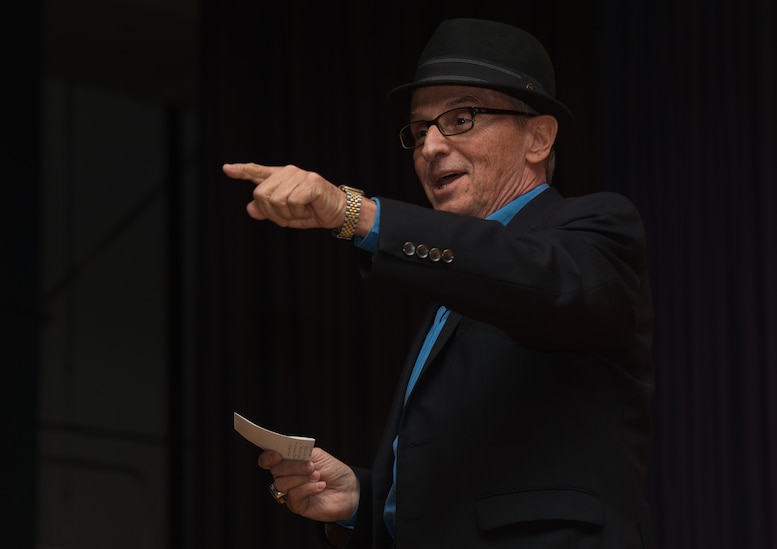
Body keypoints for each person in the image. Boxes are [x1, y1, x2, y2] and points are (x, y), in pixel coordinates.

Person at [223, 18, 655, 549]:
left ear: (538, 138)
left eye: (461, 118)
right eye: (419, 129)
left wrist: (354, 212)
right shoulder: (452, 283)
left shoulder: (595, 229)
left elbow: (531, 277)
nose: (429, 148)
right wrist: (363, 500)